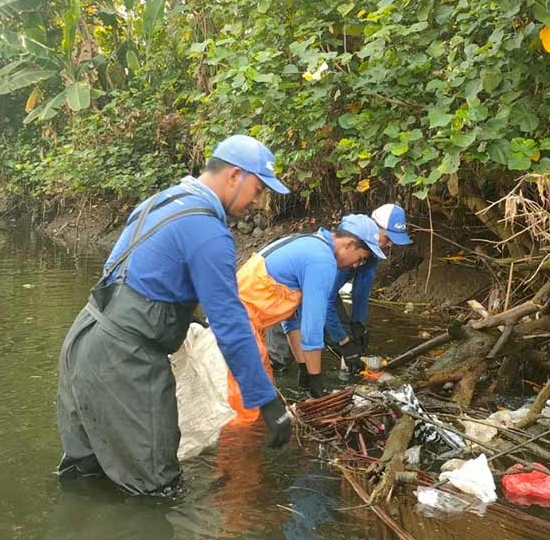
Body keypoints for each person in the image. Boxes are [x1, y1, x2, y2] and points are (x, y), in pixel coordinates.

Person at [56, 134, 292, 497]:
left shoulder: (161, 202)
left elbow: (135, 276)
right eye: (258, 189)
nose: (259, 202)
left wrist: (182, 318)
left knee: (86, 477)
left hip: (84, 340)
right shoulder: (209, 231)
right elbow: (231, 324)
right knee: (158, 491)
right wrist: (267, 401)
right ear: (233, 175)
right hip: (125, 361)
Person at [235, 214, 385, 402]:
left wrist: (304, 367)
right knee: (247, 409)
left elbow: (291, 320)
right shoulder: (323, 260)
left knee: (258, 402)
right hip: (238, 330)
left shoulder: (308, 242)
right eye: (360, 258)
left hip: (232, 322)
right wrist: (317, 381)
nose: (356, 265)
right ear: (348, 243)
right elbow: (312, 325)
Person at [324, 204, 412, 376]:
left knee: (349, 339)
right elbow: (325, 299)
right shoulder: (346, 247)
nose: (389, 244)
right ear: (374, 228)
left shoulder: (372, 254)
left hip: (328, 294)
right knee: (322, 336)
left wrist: (359, 325)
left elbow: (360, 292)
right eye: (388, 238)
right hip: (302, 291)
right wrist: (343, 342)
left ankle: (349, 374)